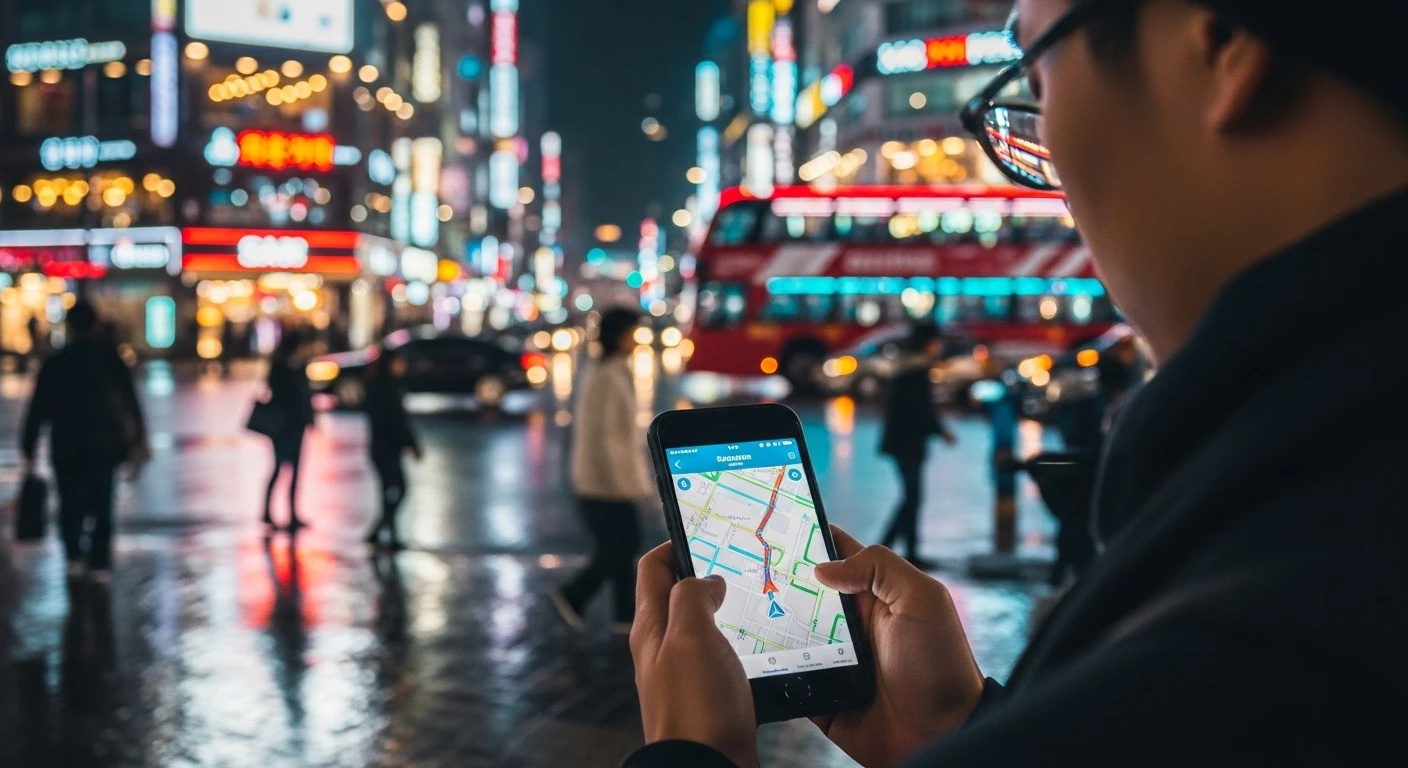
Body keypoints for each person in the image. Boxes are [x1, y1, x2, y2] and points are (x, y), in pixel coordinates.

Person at [623, 0, 1408, 765]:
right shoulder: (1305, 506)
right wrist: (962, 732)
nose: (1046, 167)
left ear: (1222, 44)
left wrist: (695, 758)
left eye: (1035, 77)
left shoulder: (1256, 632)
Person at [21, 302, 148, 583]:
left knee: (69, 502)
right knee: (102, 503)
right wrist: (139, 438)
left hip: (66, 444)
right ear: (95, 324)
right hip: (104, 444)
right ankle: (99, 562)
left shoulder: (56, 362)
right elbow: (130, 402)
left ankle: (74, 556)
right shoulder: (110, 359)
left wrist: (29, 446)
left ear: (69, 326)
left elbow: (38, 408)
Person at [552, 308, 655, 634]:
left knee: (621, 548)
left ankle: (624, 616)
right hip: (603, 483)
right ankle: (574, 594)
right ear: (617, 336)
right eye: (631, 335)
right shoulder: (605, 376)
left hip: (607, 481)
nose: (636, 342)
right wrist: (632, 485)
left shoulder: (612, 371)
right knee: (621, 547)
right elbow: (606, 438)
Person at [877, 323, 955, 570]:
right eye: (937, 342)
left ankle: (901, 550)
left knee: (911, 498)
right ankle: (885, 549)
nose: (940, 347)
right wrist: (942, 431)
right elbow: (921, 411)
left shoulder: (906, 368)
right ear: (928, 343)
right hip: (907, 444)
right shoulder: (916, 371)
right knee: (912, 497)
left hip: (902, 442)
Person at [363, 350, 422, 549]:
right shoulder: (389, 387)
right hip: (387, 448)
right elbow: (397, 421)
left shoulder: (377, 385)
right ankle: (383, 530)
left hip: (380, 447)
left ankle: (382, 532)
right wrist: (411, 443)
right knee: (399, 488)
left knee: (387, 490)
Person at [261, 328, 315, 531]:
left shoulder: (292, 366)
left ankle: (288, 513)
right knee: (282, 469)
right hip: (285, 425)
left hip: (292, 425)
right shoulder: (284, 367)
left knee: (289, 470)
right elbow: (293, 395)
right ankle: (272, 513)